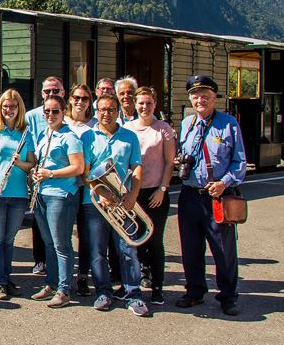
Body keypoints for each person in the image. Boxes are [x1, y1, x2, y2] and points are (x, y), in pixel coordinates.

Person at [175, 75, 246, 316]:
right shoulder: (186, 123)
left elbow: (240, 162)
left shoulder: (228, 124)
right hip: (190, 194)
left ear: (215, 97)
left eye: (205, 95)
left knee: (223, 250)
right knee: (190, 247)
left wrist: (224, 183)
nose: (200, 99)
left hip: (216, 195)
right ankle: (195, 291)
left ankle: (228, 296)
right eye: (195, 95)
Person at [81, 94, 149, 317]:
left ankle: (134, 294)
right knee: (97, 250)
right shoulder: (88, 137)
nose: (106, 113)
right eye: (102, 109)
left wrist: (133, 194)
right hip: (97, 203)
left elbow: (136, 167)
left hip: (123, 199)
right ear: (96, 111)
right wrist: (99, 191)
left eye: (111, 109)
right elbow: (85, 171)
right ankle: (103, 292)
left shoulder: (129, 136)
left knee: (128, 250)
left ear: (117, 111)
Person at [29, 94, 84, 308]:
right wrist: (37, 173)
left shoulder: (70, 137)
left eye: (55, 111)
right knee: (49, 243)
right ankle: (51, 283)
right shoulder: (45, 134)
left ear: (64, 112)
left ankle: (64, 289)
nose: (50, 115)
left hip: (61, 195)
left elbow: (77, 167)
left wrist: (50, 174)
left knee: (62, 244)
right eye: (47, 111)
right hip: (43, 193)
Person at [0, 89, 35, 300]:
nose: (8, 110)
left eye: (13, 106)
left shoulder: (25, 132)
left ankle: (6, 277)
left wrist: (19, 163)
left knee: (9, 240)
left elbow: (31, 163)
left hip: (19, 193)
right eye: (5, 106)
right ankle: (0, 281)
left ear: (19, 108)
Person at [124, 86, 175, 305]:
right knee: (133, 241)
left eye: (149, 103)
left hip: (155, 193)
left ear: (155, 104)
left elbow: (170, 162)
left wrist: (162, 189)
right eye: (141, 103)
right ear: (135, 104)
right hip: (132, 193)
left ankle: (157, 287)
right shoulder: (127, 128)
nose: (145, 107)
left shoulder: (163, 129)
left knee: (155, 241)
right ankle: (137, 281)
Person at [24, 76, 65, 275]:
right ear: (41, 94)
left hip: (60, 179)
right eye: (47, 91)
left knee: (58, 227)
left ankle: (60, 268)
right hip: (37, 173)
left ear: (63, 93)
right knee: (38, 220)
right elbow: (26, 142)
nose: (51, 94)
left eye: (55, 91)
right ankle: (40, 260)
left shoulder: (66, 116)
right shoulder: (31, 116)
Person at [66, 84, 96, 297]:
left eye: (85, 98)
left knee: (85, 235)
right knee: (63, 236)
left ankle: (83, 275)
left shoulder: (95, 126)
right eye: (76, 97)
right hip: (65, 188)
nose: (80, 101)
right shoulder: (62, 122)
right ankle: (63, 277)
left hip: (87, 188)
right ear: (70, 99)